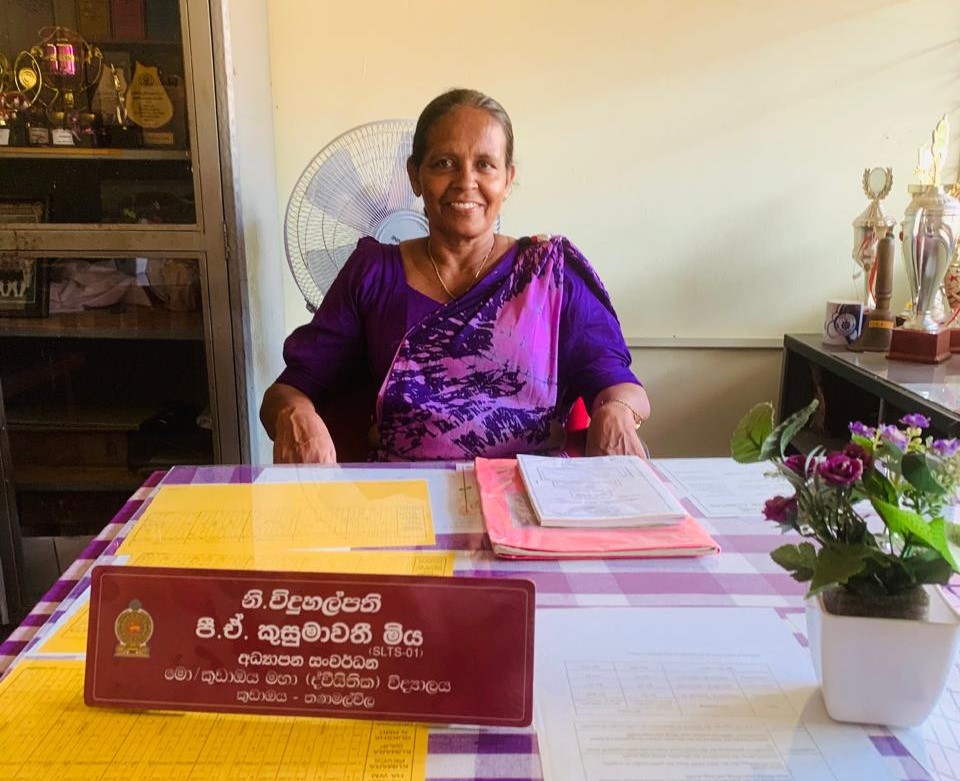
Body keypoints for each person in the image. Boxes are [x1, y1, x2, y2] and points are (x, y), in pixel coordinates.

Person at [261, 88, 649, 463]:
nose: (465, 181)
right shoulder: (373, 273)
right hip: (403, 495)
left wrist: (615, 411)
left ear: (507, 180)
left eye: (485, 164)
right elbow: (289, 390)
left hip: (531, 491)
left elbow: (618, 384)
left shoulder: (550, 274)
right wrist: (294, 413)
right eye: (444, 163)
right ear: (415, 176)